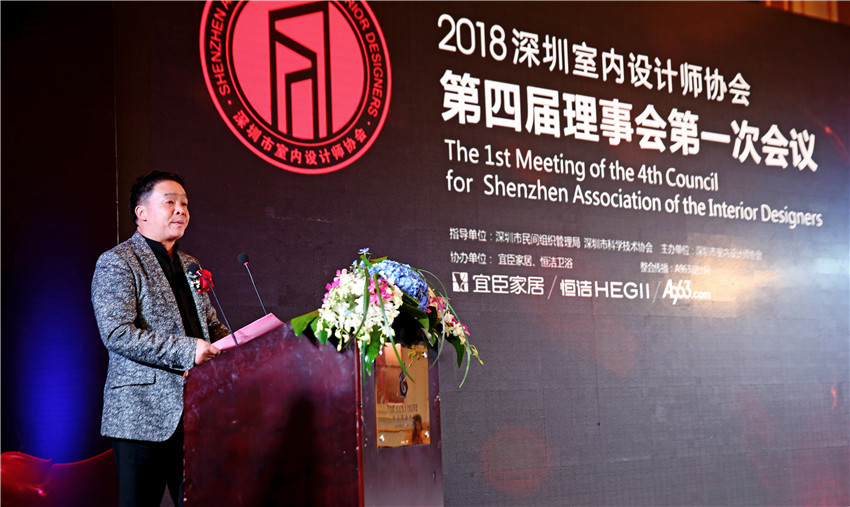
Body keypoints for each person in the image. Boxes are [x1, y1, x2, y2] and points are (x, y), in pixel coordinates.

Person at [91, 171, 229, 507]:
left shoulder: (191, 265)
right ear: (142, 212)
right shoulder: (118, 262)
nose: (181, 210)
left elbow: (210, 327)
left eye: (185, 204)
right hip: (141, 416)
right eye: (170, 202)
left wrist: (240, 344)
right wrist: (189, 350)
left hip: (197, 414)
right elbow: (117, 333)